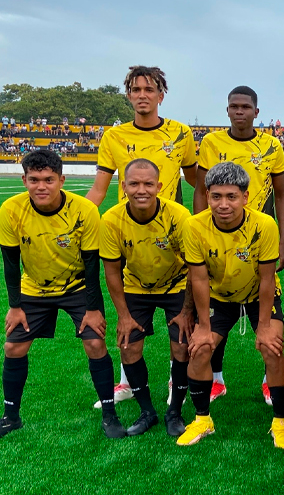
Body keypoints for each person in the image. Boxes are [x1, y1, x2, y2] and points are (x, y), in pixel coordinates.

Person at [85, 65, 198, 408]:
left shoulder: (180, 133)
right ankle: (125, 382)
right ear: (129, 95)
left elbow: (198, 181)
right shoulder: (114, 137)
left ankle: (171, 379)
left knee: (181, 327)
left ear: (161, 95)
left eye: (150, 89)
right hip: (127, 237)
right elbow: (99, 190)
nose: (143, 95)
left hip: (170, 238)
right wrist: (76, 221)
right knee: (128, 326)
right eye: (136, 89)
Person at [0, 151, 125, 438]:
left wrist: (93, 309)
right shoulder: (10, 210)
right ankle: (10, 416)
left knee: (95, 344)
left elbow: (93, 263)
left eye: (48, 179)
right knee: (13, 348)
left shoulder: (84, 210)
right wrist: (15, 306)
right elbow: (9, 261)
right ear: (24, 180)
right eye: (33, 180)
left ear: (61, 180)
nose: (40, 186)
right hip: (33, 287)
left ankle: (109, 415)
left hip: (77, 287)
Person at [178, 162, 284, 448]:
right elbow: (199, 280)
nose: (223, 204)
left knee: (272, 347)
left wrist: (264, 327)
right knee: (200, 348)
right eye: (216, 196)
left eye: (231, 196)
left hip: (257, 294)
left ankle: (280, 421)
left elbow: (267, 279)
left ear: (246, 196)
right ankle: (203, 419)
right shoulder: (194, 226)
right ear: (206, 195)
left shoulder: (264, 225)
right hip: (219, 296)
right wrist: (204, 327)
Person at [193, 86, 284, 404]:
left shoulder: (271, 145)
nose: (239, 111)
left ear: (256, 112)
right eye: (233, 106)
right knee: (213, 307)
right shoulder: (211, 143)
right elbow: (199, 187)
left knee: (268, 320)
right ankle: (216, 379)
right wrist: (200, 230)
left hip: (257, 238)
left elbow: (281, 193)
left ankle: (268, 380)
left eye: (245, 107)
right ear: (227, 110)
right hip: (217, 235)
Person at [100, 159, 194, 438]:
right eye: (135, 184)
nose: (141, 190)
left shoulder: (178, 216)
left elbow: (194, 266)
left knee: (181, 346)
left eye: (148, 184)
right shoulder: (112, 220)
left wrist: (188, 310)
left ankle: (174, 412)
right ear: (124, 186)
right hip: (136, 287)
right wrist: (123, 316)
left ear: (159, 187)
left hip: (176, 286)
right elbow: (112, 272)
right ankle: (147, 412)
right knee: (128, 348)